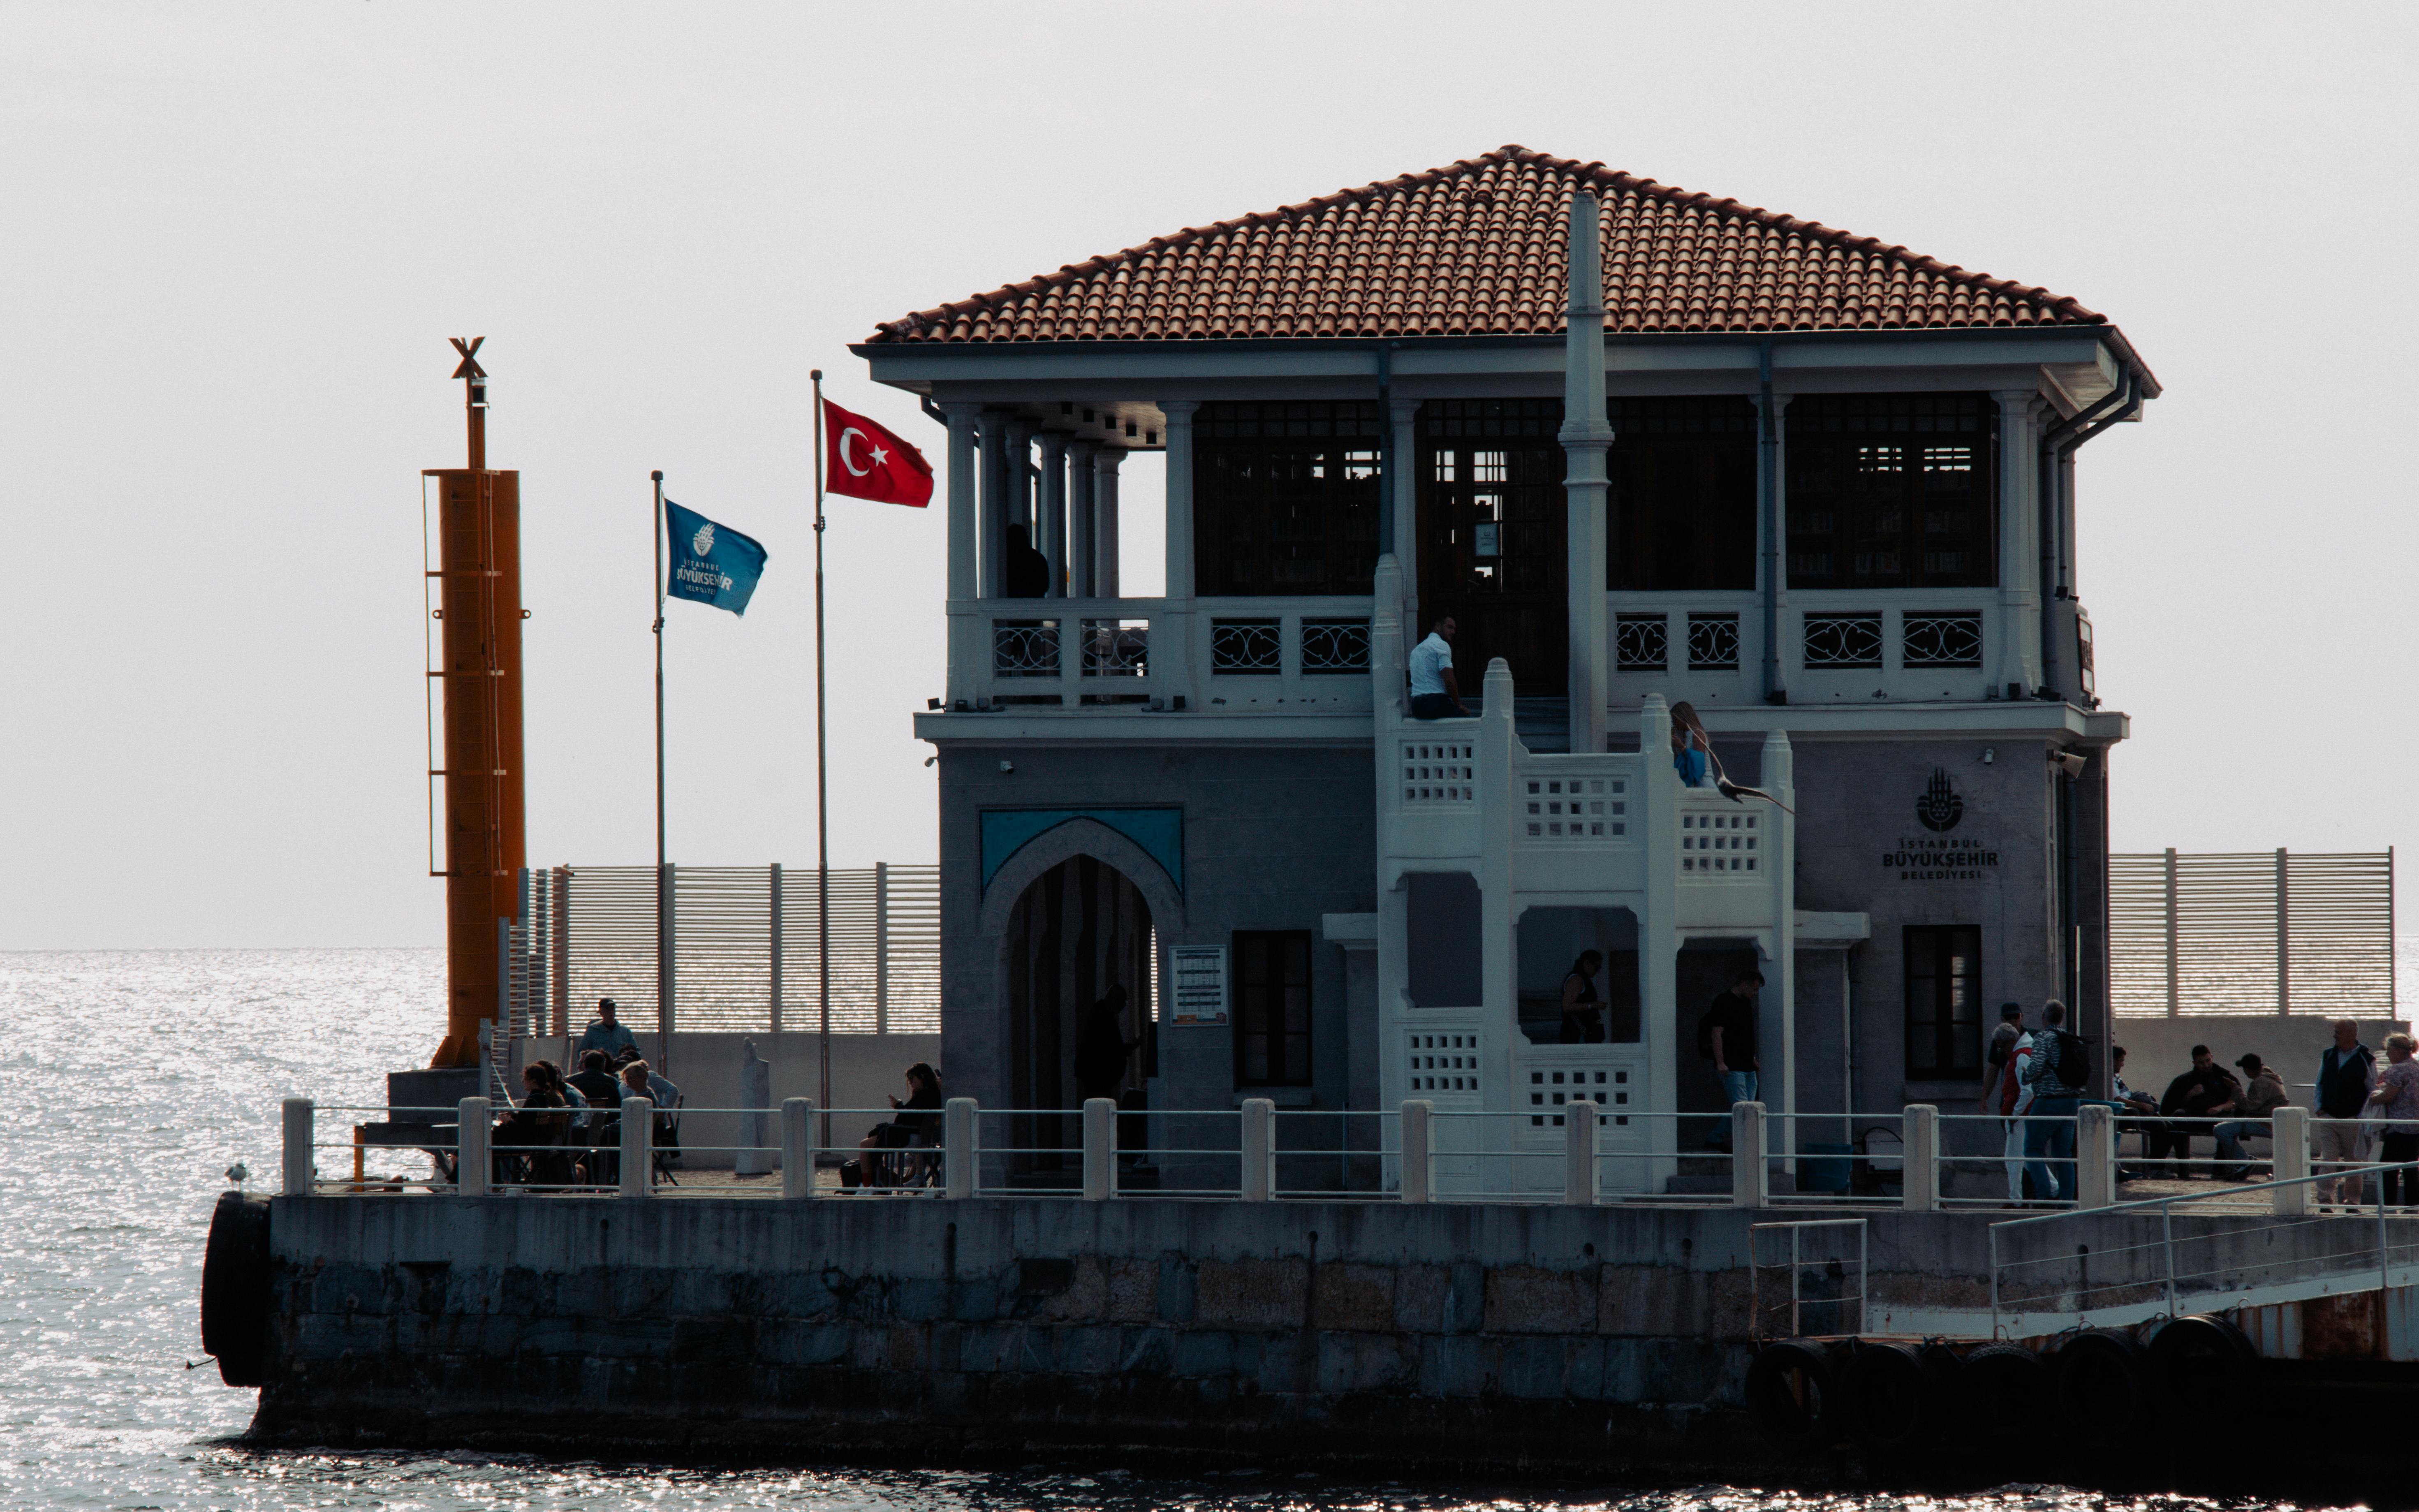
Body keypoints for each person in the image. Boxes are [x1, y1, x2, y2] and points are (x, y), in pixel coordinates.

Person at [2020, 1000, 2088, 1202]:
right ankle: (2066, 1201)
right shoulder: (2070, 1039)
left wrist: (2025, 1076)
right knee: (2063, 1155)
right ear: (2062, 1018)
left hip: (2048, 1101)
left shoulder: (2044, 1038)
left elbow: (2036, 1067)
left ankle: (2044, 1196)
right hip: (2072, 1102)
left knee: (2033, 1150)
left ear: (2044, 1017)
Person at [841, 1063, 945, 1190]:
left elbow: (910, 1116)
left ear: (922, 1077)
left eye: (912, 1079)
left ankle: (867, 1186)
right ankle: (874, 1183)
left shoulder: (925, 1095)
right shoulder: (932, 1094)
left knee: (865, 1145)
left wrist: (898, 1105)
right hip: (917, 1135)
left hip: (909, 1135)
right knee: (874, 1140)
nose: (910, 1083)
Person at [2315, 1020, 2378, 1207]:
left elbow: (2372, 1089)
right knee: (2328, 1159)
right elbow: (2320, 1083)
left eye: (2338, 1032)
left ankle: (2352, 1201)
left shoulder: (2366, 1059)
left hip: (2352, 1119)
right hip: (2329, 1117)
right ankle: (2324, 1199)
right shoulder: (2328, 1055)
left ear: (2352, 1034)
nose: (2334, 1035)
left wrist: (2361, 1116)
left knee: (2354, 1161)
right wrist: (2319, 1108)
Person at [2155, 1045, 2241, 1179]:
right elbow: (2171, 1104)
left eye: (2208, 1061)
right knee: (2177, 1119)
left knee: (2228, 1125)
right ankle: (2182, 1170)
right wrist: (2191, 1094)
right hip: (2193, 1118)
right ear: (2194, 1063)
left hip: (2218, 1117)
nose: (2206, 1065)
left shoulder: (2225, 1077)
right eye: (2201, 1063)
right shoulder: (2185, 1080)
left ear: (2212, 1057)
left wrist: (2220, 1108)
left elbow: (2236, 1100)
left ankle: (2220, 1170)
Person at [1701, 970, 1763, 1150]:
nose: (1755, 993)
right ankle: (1744, 1148)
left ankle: (1715, 1138)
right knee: (1744, 1110)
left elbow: (1745, 1035)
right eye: (1754, 989)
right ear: (1744, 984)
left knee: (1747, 1109)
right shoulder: (1724, 1002)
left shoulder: (1746, 1003)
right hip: (1733, 1067)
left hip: (1748, 1066)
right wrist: (1721, 1062)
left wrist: (1753, 1058)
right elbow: (1716, 1034)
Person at [1979, 1004, 2031, 1199]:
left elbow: (2028, 1090)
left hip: (2020, 1108)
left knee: (2020, 1155)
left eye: (2016, 1016)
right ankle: (2026, 1196)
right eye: (2009, 1017)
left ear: (2021, 1016)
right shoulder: (2005, 1043)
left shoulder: (2024, 1048)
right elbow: (1993, 1071)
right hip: (2014, 1105)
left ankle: (2026, 1196)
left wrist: (2015, 1113)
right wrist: (1985, 1097)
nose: (2013, 1020)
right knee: (2023, 1155)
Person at [2212, 1053, 2289, 1181]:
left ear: (2248, 1070)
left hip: (2264, 1122)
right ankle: (2242, 1162)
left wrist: (2235, 1089)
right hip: (2273, 1121)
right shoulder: (2270, 1077)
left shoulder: (2260, 1082)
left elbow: (2250, 1106)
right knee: (2227, 1128)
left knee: (2221, 1130)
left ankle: (2243, 1161)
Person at [493, 1063, 570, 1186]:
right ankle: (507, 1182)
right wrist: (514, 1115)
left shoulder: (533, 1100)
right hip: (537, 1140)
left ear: (534, 1081)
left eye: (525, 1078)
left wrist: (508, 1122)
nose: (523, 1081)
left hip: (526, 1142)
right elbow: (529, 1121)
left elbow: (524, 1131)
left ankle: (496, 1184)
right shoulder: (542, 1098)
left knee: (489, 1142)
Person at [2367, 1033, 2419, 1206]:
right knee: (2411, 1167)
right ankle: (2413, 1206)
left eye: (2388, 1050)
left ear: (2397, 1051)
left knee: (2388, 1168)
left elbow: (2389, 1096)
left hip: (2398, 1127)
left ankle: (2388, 1207)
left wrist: (2373, 1099)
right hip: (2415, 1126)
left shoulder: (2397, 1070)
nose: (2387, 1054)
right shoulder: (2417, 1067)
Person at [566, 1049, 623, 1185]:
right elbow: (619, 1110)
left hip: (576, 1133)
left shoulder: (571, 1081)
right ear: (603, 1065)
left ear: (584, 1064)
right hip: (604, 1133)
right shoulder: (612, 1082)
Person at [1073, 986, 1137, 1104]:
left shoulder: (1101, 1013)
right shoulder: (1103, 1016)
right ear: (1115, 1000)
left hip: (1097, 1074)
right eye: (1123, 1003)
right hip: (1098, 1075)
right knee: (1100, 1106)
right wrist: (1129, 1048)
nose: (1123, 1007)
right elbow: (1110, 1048)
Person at [2109, 1047, 2163, 1181]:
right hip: (2126, 1114)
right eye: (2121, 1061)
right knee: (2159, 1126)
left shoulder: (2116, 1076)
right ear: (2113, 1060)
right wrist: (2143, 1105)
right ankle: (2155, 1168)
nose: (2123, 1064)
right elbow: (2118, 1100)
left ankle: (2161, 1167)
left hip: (2133, 1111)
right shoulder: (2108, 1077)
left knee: (2168, 1125)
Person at [1407, 612, 1468, 719]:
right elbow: (1449, 681)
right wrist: (1459, 704)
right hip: (1434, 703)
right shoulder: (1441, 645)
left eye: (1454, 629)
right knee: (1465, 718)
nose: (1453, 632)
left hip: (1416, 707)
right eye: (1450, 627)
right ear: (1438, 626)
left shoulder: (1416, 651)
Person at [1559, 952, 1606, 1044]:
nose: (1598, 971)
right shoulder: (1576, 979)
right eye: (1597, 967)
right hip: (1578, 1034)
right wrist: (1592, 1005)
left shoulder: (1583, 979)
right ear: (1587, 963)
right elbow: (1567, 1007)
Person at [1669, 701, 1715, 788]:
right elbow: (1679, 761)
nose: (1674, 723)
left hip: (1703, 781)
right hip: (1692, 781)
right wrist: (1673, 745)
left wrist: (1681, 746)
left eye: (1676, 720)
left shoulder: (1697, 734)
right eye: (1673, 720)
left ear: (1683, 718)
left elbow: (1698, 760)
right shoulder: (1685, 735)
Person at [576, 999, 638, 1064]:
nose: (611, 1012)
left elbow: (636, 1052)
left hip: (620, 1067)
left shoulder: (625, 1032)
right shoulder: (592, 1031)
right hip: (600, 1067)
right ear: (601, 1012)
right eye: (607, 1010)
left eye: (613, 1009)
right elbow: (582, 1052)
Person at [1004, 523, 1051, 598]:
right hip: (1036, 602)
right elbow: (1045, 586)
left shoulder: (1006, 560)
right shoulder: (1038, 558)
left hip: (1012, 602)